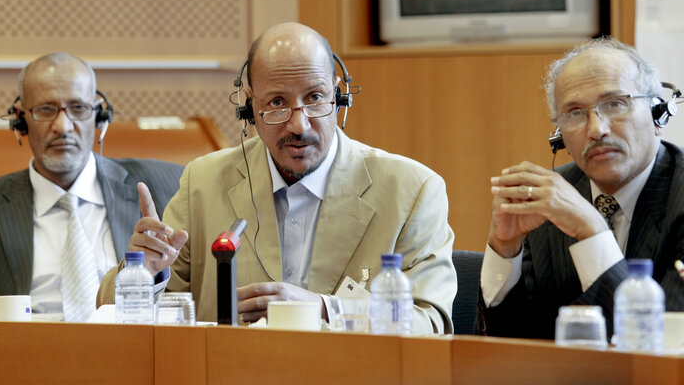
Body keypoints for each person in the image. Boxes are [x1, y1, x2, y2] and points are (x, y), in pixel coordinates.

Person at [97, 22, 456, 334]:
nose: (299, 125)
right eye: (277, 103)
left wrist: (322, 309)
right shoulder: (203, 183)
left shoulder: (412, 191)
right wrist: (144, 274)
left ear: (338, 94)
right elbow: (114, 311)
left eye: (315, 98)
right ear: (249, 107)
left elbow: (431, 323)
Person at [0, 52, 184, 321]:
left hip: (132, 357)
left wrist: (150, 274)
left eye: (78, 108)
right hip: (19, 359)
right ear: (20, 119)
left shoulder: (169, 187)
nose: (63, 127)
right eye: (45, 110)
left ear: (99, 116)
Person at [477, 37, 684, 339]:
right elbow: (509, 351)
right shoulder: (548, 199)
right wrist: (505, 250)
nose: (596, 129)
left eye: (615, 104)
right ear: (559, 136)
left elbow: (663, 342)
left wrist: (593, 232)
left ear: (658, 114)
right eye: (574, 112)